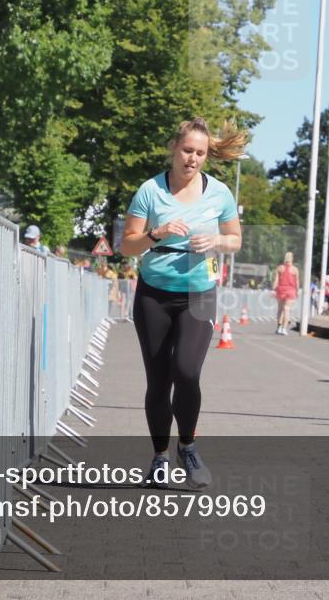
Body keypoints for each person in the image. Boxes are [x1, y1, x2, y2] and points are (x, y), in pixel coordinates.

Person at [120, 117, 246, 488]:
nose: (192, 159)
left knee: (187, 371)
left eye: (200, 153)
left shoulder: (219, 193)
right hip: (154, 294)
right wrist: (155, 234)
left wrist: (216, 241)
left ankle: (187, 447)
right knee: (159, 381)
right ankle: (160, 457)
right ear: (174, 148)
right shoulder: (150, 191)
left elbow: (235, 239)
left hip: (199, 293)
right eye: (188, 150)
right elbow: (127, 245)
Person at [272, 252, 300, 335]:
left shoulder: (280, 268)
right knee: (287, 309)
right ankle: (284, 328)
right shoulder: (295, 269)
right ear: (292, 259)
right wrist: (297, 291)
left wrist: (273, 289)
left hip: (281, 290)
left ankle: (278, 327)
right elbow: (297, 282)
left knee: (280, 309)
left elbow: (276, 280)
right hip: (291, 291)